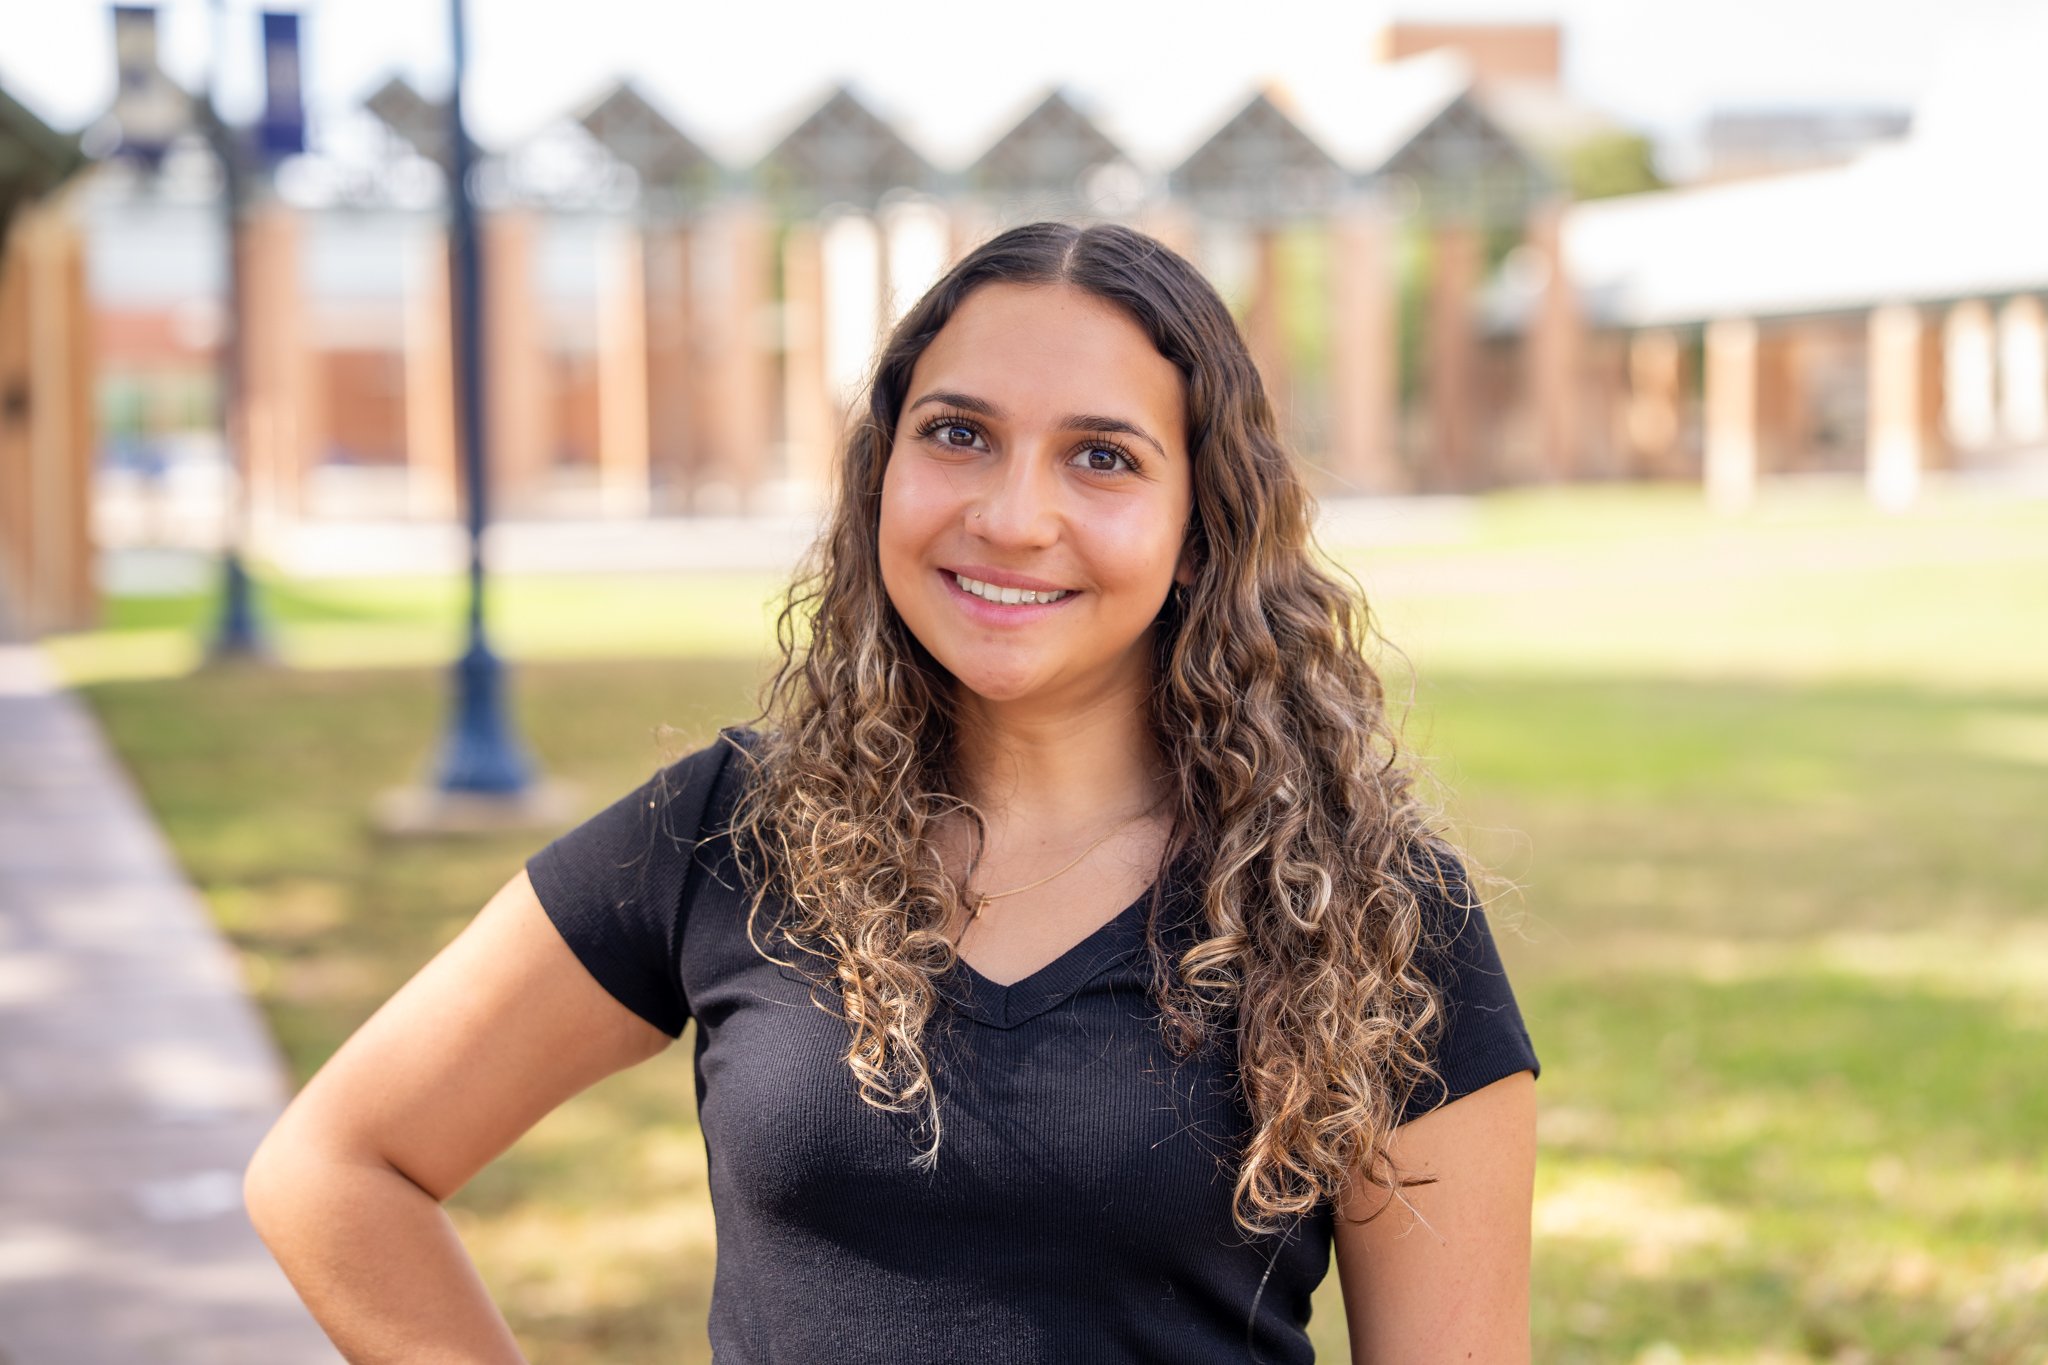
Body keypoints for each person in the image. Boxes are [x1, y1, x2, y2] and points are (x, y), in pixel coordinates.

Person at [245, 220, 1539, 1363]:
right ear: (883, 471)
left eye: (1103, 457)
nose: (1013, 514)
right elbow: (336, 1167)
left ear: (1202, 528)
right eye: (959, 433)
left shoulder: (1370, 908)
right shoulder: (731, 828)